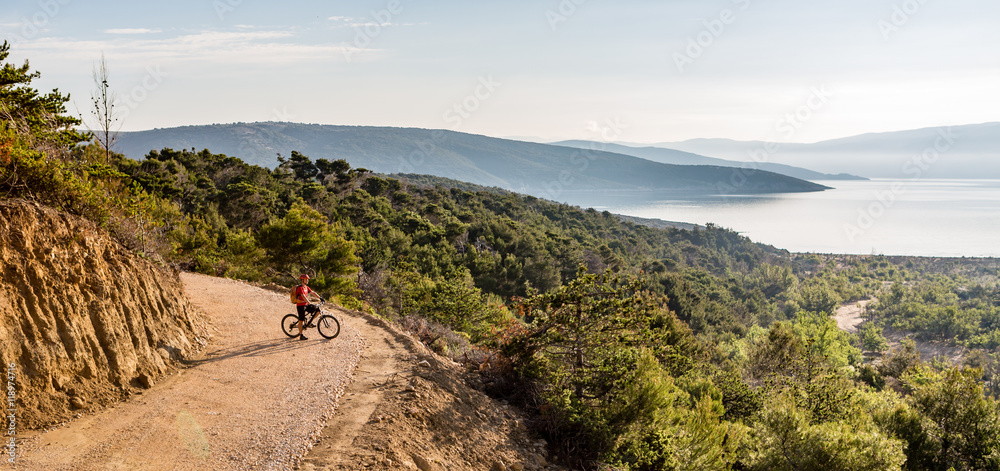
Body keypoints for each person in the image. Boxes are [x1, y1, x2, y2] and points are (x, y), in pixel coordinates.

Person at [294, 274, 321, 340]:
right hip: (300, 306)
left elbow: (312, 292)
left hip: (306, 304)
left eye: (307, 279)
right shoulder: (300, 288)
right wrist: (310, 303)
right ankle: (301, 335)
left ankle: (309, 322)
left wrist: (320, 297)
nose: (307, 280)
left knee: (317, 311)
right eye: (306, 279)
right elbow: (303, 296)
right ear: (302, 280)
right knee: (301, 320)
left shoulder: (306, 287)